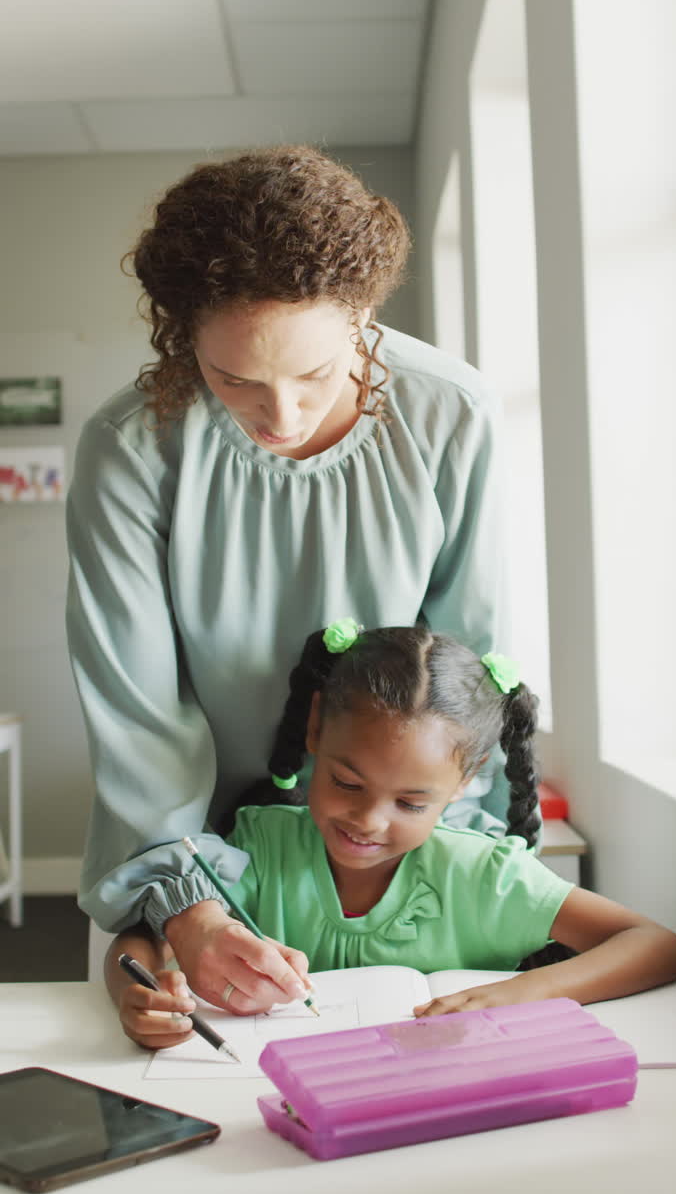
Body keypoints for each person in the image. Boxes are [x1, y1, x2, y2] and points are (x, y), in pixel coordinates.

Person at [66, 145, 513, 1016]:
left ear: (362, 315)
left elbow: (473, 662)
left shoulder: (451, 412)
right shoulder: (129, 447)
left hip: (397, 838)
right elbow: (136, 708)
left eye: (314, 375)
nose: (282, 415)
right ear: (180, 336)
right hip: (205, 850)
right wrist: (187, 903)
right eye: (234, 379)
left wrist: (422, 839)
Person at [105, 622, 676, 1051]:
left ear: (465, 780)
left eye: (411, 802)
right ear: (314, 730)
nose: (369, 821)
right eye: (346, 782)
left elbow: (657, 944)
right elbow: (140, 939)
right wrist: (143, 991)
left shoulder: (485, 875)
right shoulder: (257, 844)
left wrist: (521, 993)